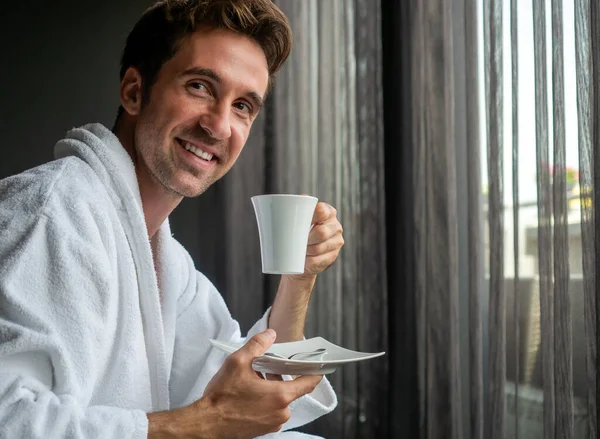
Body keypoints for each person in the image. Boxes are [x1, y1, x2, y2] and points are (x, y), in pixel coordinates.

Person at [0, 1, 345, 438]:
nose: (219, 126)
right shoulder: (53, 214)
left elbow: (252, 394)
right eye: (200, 86)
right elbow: (9, 419)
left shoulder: (166, 261)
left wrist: (299, 277)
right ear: (134, 92)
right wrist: (206, 423)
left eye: (242, 106)